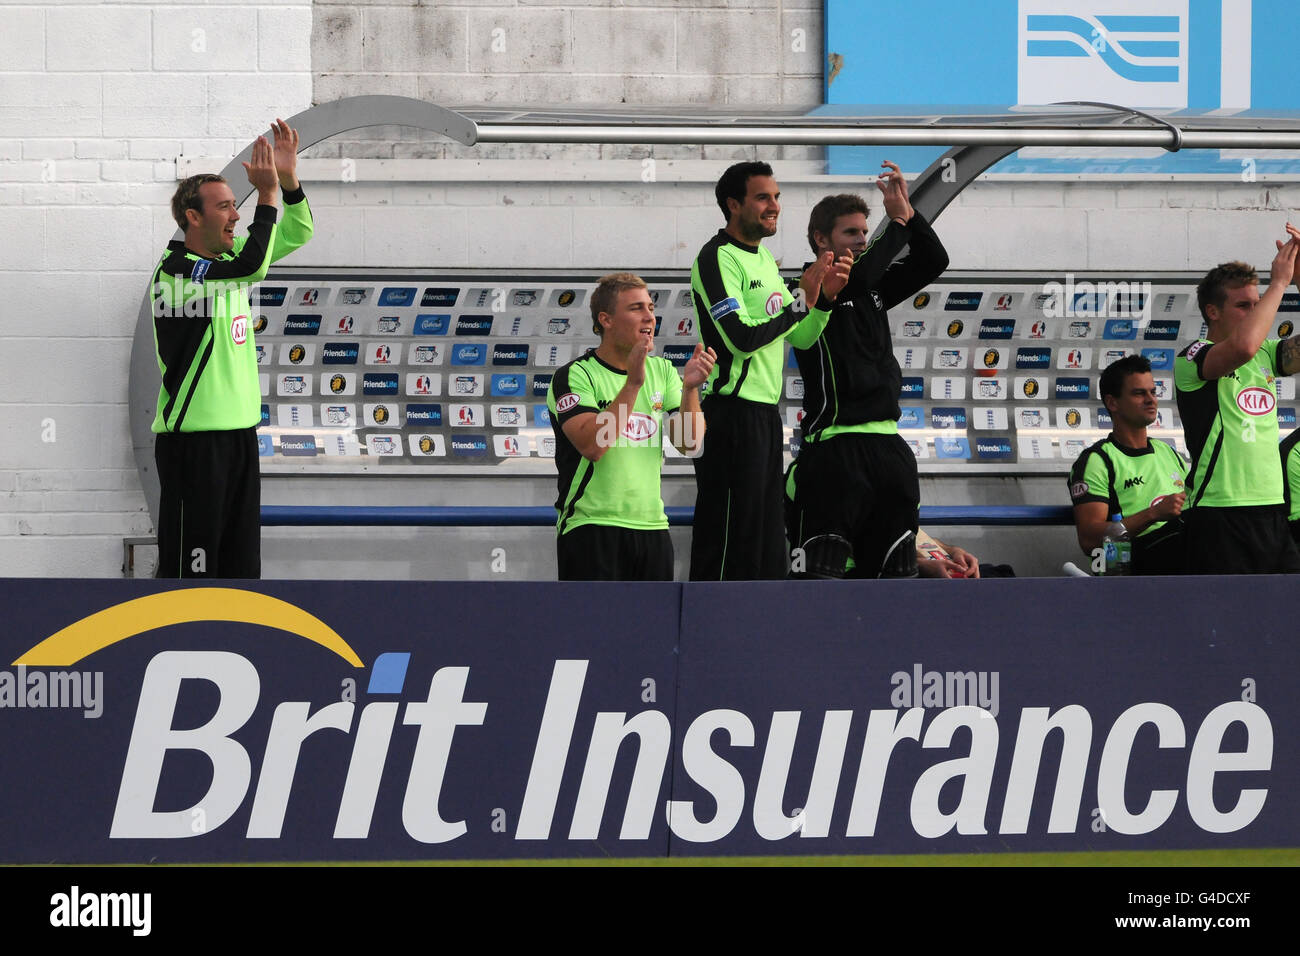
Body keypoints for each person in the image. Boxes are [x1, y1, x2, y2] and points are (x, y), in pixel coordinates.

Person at [151, 119, 313, 578]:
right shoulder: (177, 272)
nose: (236, 215)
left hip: (241, 436)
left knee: (241, 568)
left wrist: (288, 183)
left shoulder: (227, 260)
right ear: (193, 218)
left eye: (235, 206)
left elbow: (297, 234)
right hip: (194, 444)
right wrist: (266, 196)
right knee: (192, 571)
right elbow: (253, 267)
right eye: (225, 207)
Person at [783, 163, 949, 578]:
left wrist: (910, 215)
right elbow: (854, 280)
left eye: (863, 232)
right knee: (820, 578)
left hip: (889, 450)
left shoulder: (871, 286)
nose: (860, 241)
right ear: (821, 239)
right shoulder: (803, 288)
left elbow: (934, 260)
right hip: (834, 453)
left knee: (897, 578)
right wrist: (895, 223)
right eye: (850, 233)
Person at [688, 161, 850, 580]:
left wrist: (824, 301)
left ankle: (751, 637)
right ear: (733, 204)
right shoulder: (716, 258)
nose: (774, 205)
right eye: (763, 197)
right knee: (727, 542)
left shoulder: (765, 263)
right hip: (728, 419)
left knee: (762, 544)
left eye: (776, 197)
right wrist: (801, 301)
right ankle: (711, 632)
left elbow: (802, 338)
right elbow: (739, 338)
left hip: (764, 418)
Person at [547, 272, 715, 580]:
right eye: (636, 308)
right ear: (606, 320)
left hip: (652, 528)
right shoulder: (575, 376)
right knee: (596, 628)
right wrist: (634, 383)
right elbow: (594, 446)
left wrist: (691, 389)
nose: (649, 316)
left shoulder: (663, 370)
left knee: (654, 629)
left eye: (650, 307)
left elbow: (690, 444)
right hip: (591, 527)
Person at [1174, 224, 1300, 573]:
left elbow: (1253, 347)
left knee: (1286, 620)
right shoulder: (1193, 356)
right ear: (1213, 312)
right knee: (1226, 623)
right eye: (1245, 306)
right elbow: (1242, 346)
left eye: (1258, 304)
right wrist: (1279, 284)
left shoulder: (1268, 354)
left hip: (1273, 507)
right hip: (1218, 512)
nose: (1257, 312)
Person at [1067, 355, 1188, 574]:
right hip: (1129, 565)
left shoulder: (1169, 453)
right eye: (1139, 393)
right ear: (1113, 403)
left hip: (1180, 554)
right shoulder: (1097, 460)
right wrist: (1153, 514)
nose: (1151, 399)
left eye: (1153, 391)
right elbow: (1089, 539)